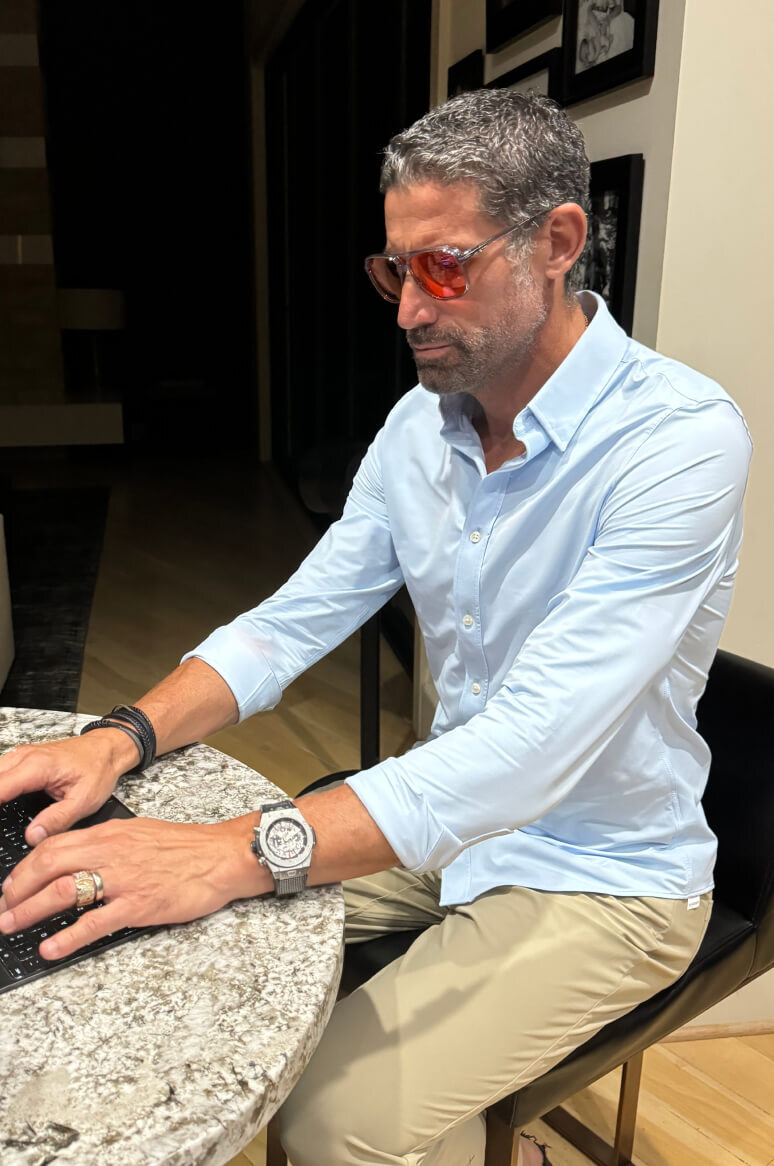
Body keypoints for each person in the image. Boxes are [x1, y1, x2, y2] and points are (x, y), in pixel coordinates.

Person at [0, 90, 751, 1165]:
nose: (406, 310)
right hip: (451, 829)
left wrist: (233, 848)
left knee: (327, 1122)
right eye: (395, 269)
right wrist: (118, 733)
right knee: (137, 927)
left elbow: (534, 746)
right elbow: (293, 619)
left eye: (443, 266)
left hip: (603, 869)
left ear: (557, 242)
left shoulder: (678, 440)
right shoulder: (421, 424)